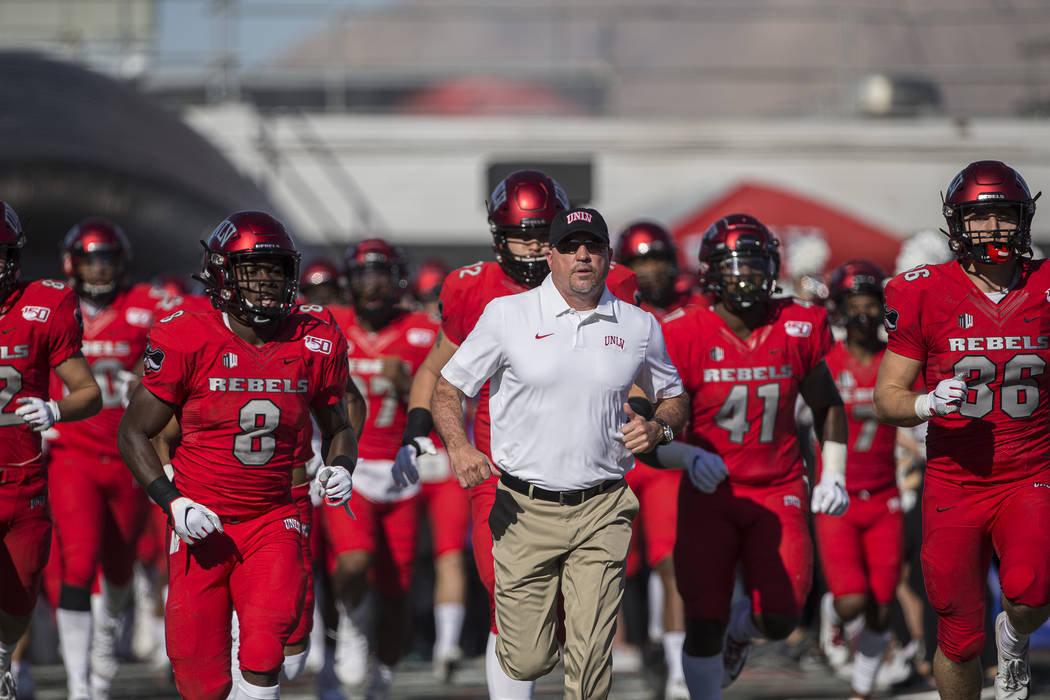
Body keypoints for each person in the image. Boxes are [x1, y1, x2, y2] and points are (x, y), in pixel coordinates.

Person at [392, 169, 639, 699]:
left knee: (582, 612)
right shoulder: (473, 288)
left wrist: (643, 420)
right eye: (519, 235)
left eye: (539, 234)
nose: (529, 248)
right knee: (507, 596)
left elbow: (637, 371)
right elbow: (439, 371)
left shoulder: (610, 283)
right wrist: (424, 436)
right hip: (503, 474)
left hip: (588, 474)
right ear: (497, 237)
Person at [431, 205, 688, 700]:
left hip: (604, 505)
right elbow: (448, 387)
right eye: (570, 248)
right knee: (527, 658)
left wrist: (659, 428)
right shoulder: (508, 315)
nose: (582, 257)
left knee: (590, 658)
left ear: (610, 257)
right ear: (551, 257)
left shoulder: (637, 325)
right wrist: (459, 447)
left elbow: (673, 396)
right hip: (523, 506)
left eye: (593, 247)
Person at [116, 211, 356, 700]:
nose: (267, 286)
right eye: (253, 273)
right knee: (200, 682)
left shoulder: (314, 337)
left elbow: (340, 425)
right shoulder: (187, 335)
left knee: (265, 651)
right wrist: (172, 501)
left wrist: (340, 467)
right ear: (223, 275)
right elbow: (133, 432)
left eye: (276, 273)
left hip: (274, 517)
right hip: (201, 521)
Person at [874, 160, 1050, 700]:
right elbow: (887, 398)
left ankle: (1015, 644)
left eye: (1004, 216)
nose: (993, 229)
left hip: (1030, 472)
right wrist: (926, 403)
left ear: (1023, 221)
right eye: (981, 217)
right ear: (958, 224)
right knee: (959, 635)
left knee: (1032, 592)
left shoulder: (1045, 287)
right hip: (955, 479)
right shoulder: (922, 292)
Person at [657, 213, 849, 699]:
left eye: (755, 264)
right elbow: (647, 432)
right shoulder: (682, 332)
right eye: (734, 266)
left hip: (778, 486)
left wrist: (834, 475)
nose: (745, 277)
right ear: (710, 273)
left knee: (781, 618)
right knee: (702, 617)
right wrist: (684, 457)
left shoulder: (797, 325)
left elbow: (828, 405)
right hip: (709, 492)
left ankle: (741, 633)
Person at [45, 218, 172, 700]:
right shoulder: (53, 304)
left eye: (107, 259)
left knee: (120, 567)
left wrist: (146, 369)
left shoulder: (145, 304)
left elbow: (190, 334)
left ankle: (104, 637)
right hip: (71, 451)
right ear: (71, 263)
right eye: (90, 259)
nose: (99, 269)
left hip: (127, 455)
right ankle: (81, 682)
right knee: (77, 561)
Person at [315, 238, 436, 697]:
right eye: (363, 275)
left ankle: (383, 674)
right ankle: (349, 622)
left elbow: (445, 399)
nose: (371, 285)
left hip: (401, 471)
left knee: (397, 590)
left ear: (397, 279)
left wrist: (407, 383)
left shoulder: (422, 330)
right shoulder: (329, 324)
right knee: (353, 561)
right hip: (350, 466)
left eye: (379, 274)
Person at [0, 202, 102, 700]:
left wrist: (56, 410)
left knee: (19, 596)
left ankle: (3, 658)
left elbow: (89, 393)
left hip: (22, 483)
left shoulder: (44, 307)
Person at [613, 220, 705, 699]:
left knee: (670, 560)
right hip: (614, 457)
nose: (650, 271)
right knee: (611, 562)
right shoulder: (603, 308)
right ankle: (620, 642)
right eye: (640, 262)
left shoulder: (690, 314)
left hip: (665, 450)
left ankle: (675, 667)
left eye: (657, 261)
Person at [816, 259, 903, 699]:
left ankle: (862, 689)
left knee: (883, 604)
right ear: (840, 308)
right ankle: (830, 614)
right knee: (853, 600)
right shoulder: (826, 359)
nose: (865, 314)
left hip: (886, 494)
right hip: (839, 497)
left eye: (873, 304)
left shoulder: (897, 360)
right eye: (857, 304)